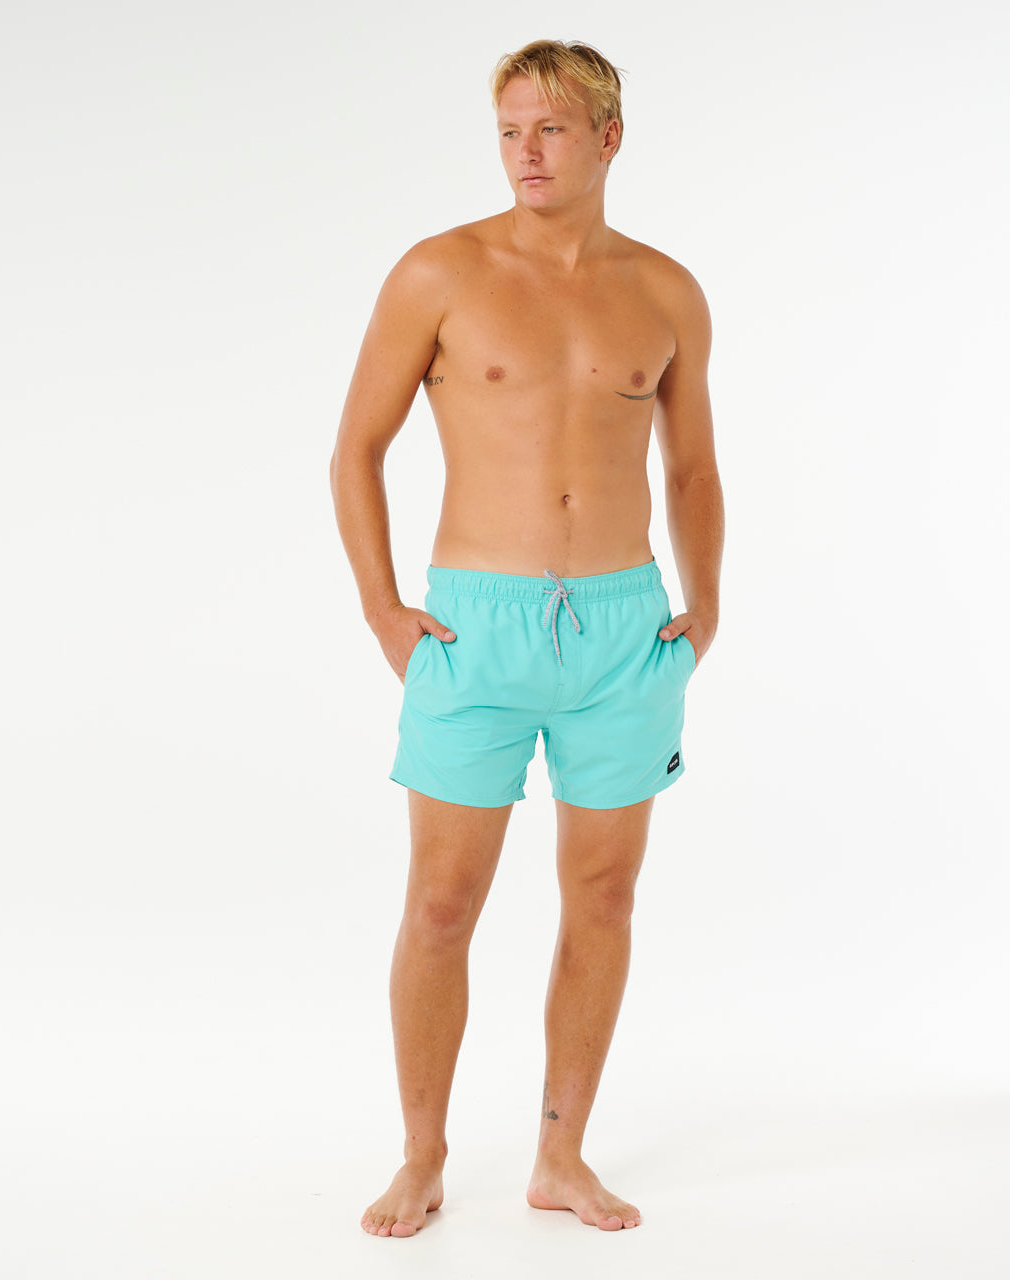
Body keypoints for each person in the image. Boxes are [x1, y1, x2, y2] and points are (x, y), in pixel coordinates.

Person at [330, 37, 724, 1238]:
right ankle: (422, 1154)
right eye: (509, 130)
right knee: (442, 901)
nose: (526, 153)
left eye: (549, 128)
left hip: (623, 627)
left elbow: (692, 466)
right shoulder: (438, 272)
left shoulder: (665, 290)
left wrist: (705, 604)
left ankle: (561, 1155)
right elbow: (355, 449)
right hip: (474, 626)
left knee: (603, 894)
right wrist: (383, 608)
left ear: (609, 137)